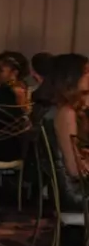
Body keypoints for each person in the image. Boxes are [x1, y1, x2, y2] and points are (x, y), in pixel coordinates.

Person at [42, 53, 89, 212]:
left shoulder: (65, 108)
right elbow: (74, 170)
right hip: (75, 194)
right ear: (72, 77)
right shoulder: (66, 113)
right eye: (86, 71)